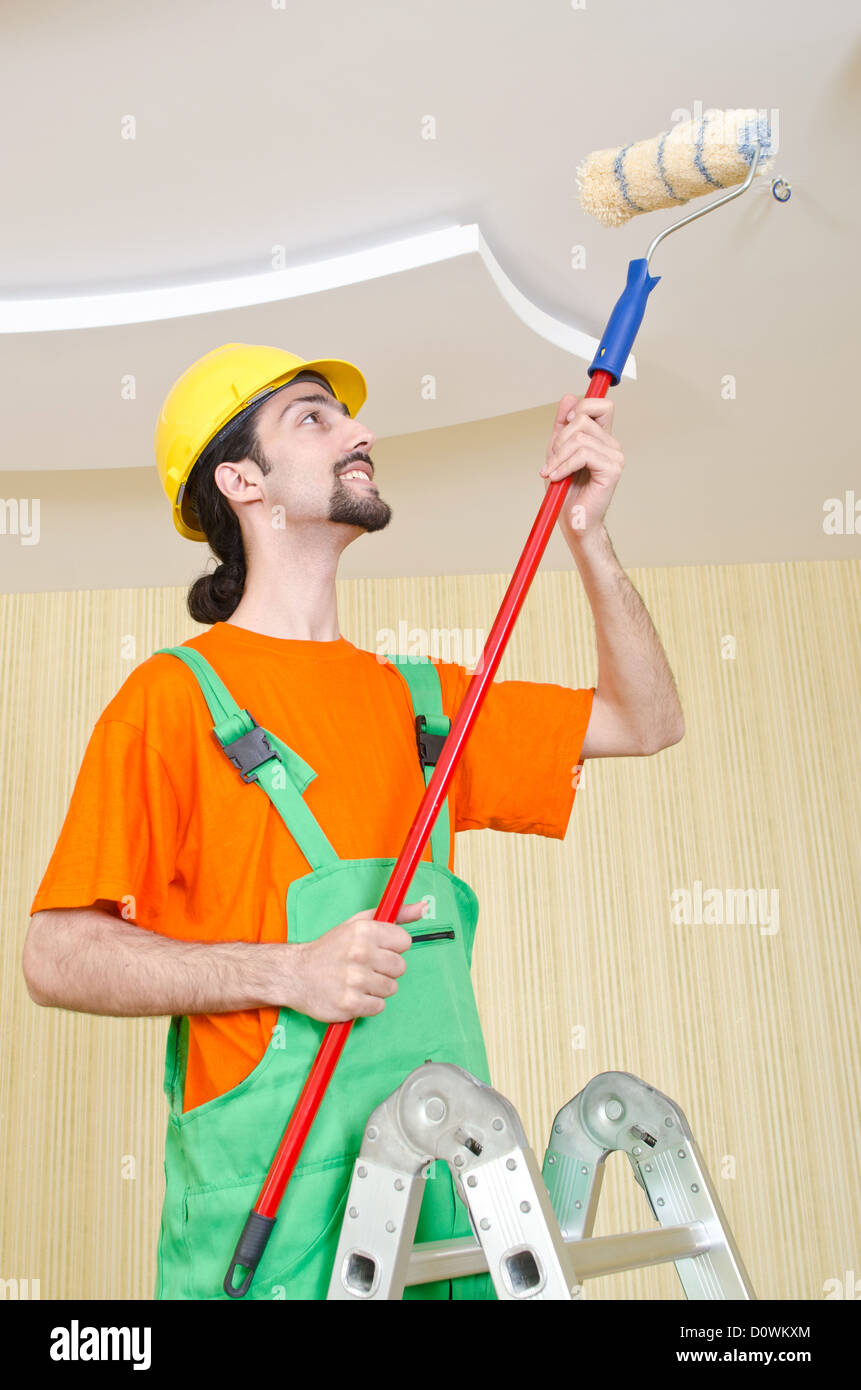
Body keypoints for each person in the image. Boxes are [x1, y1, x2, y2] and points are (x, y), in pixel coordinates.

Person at [23, 343, 684, 1301]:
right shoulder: (173, 700)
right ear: (243, 481)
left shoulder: (424, 708)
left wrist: (587, 534)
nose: (360, 432)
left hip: (452, 1192)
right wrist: (283, 971)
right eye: (313, 419)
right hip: (275, 1212)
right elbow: (54, 954)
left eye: (348, 417)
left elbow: (647, 721)